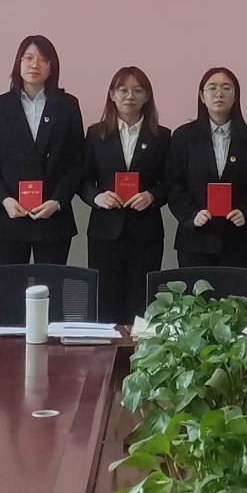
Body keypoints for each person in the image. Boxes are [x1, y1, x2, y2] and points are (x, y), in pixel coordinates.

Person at [0, 35, 84, 265]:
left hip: (53, 217)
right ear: (18, 63)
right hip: (11, 216)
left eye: (43, 59)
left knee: (51, 284)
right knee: (11, 285)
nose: (35, 64)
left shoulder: (67, 105)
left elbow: (77, 162)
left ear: (52, 67)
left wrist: (57, 201)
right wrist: (4, 200)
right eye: (28, 58)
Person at [80, 67, 171, 324]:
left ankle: (138, 350)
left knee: (142, 305)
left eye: (137, 90)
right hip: (105, 232)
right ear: (112, 95)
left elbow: (171, 183)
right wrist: (97, 197)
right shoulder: (96, 134)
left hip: (146, 232)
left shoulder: (161, 136)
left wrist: (151, 196)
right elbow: (82, 180)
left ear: (147, 96)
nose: (129, 96)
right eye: (123, 90)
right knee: (106, 304)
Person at [166, 67, 247, 270]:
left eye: (226, 88)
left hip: (237, 239)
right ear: (202, 96)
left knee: (235, 291)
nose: (219, 93)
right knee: (195, 291)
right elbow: (173, 183)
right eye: (212, 88)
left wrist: (245, 212)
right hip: (195, 239)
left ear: (235, 96)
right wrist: (191, 215)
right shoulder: (184, 137)